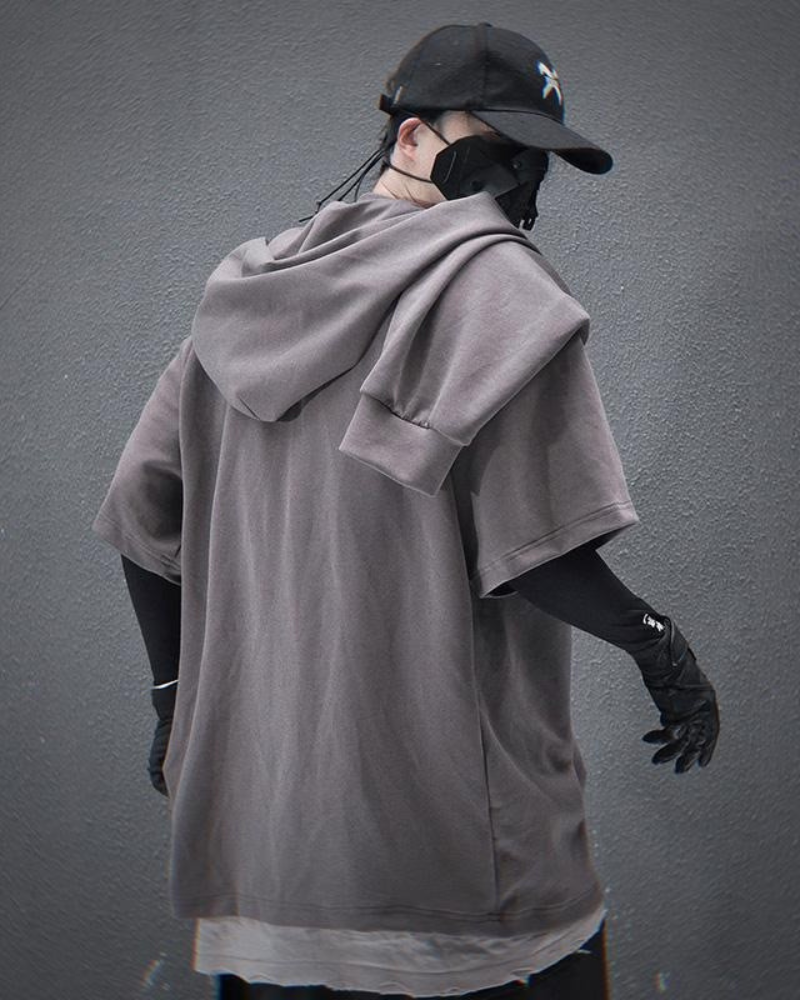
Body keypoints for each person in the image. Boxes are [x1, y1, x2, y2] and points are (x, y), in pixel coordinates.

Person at [92, 22, 720, 1000]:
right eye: (497, 145)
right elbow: (537, 551)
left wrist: (175, 699)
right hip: (453, 873)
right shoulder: (500, 288)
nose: (516, 179)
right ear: (413, 135)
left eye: (534, 158)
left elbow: (143, 521)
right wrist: (659, 649)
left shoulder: (246, 294)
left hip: (265, 869)